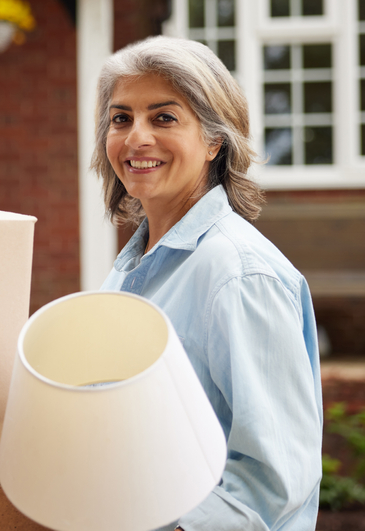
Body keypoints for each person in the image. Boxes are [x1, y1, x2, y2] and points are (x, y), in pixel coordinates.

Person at [92, 36, 322, 531]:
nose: (136, 139)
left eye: (164, 117)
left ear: (215, 139)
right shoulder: (130, 269)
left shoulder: (238, 274)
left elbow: (273, 480)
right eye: (121, 118)